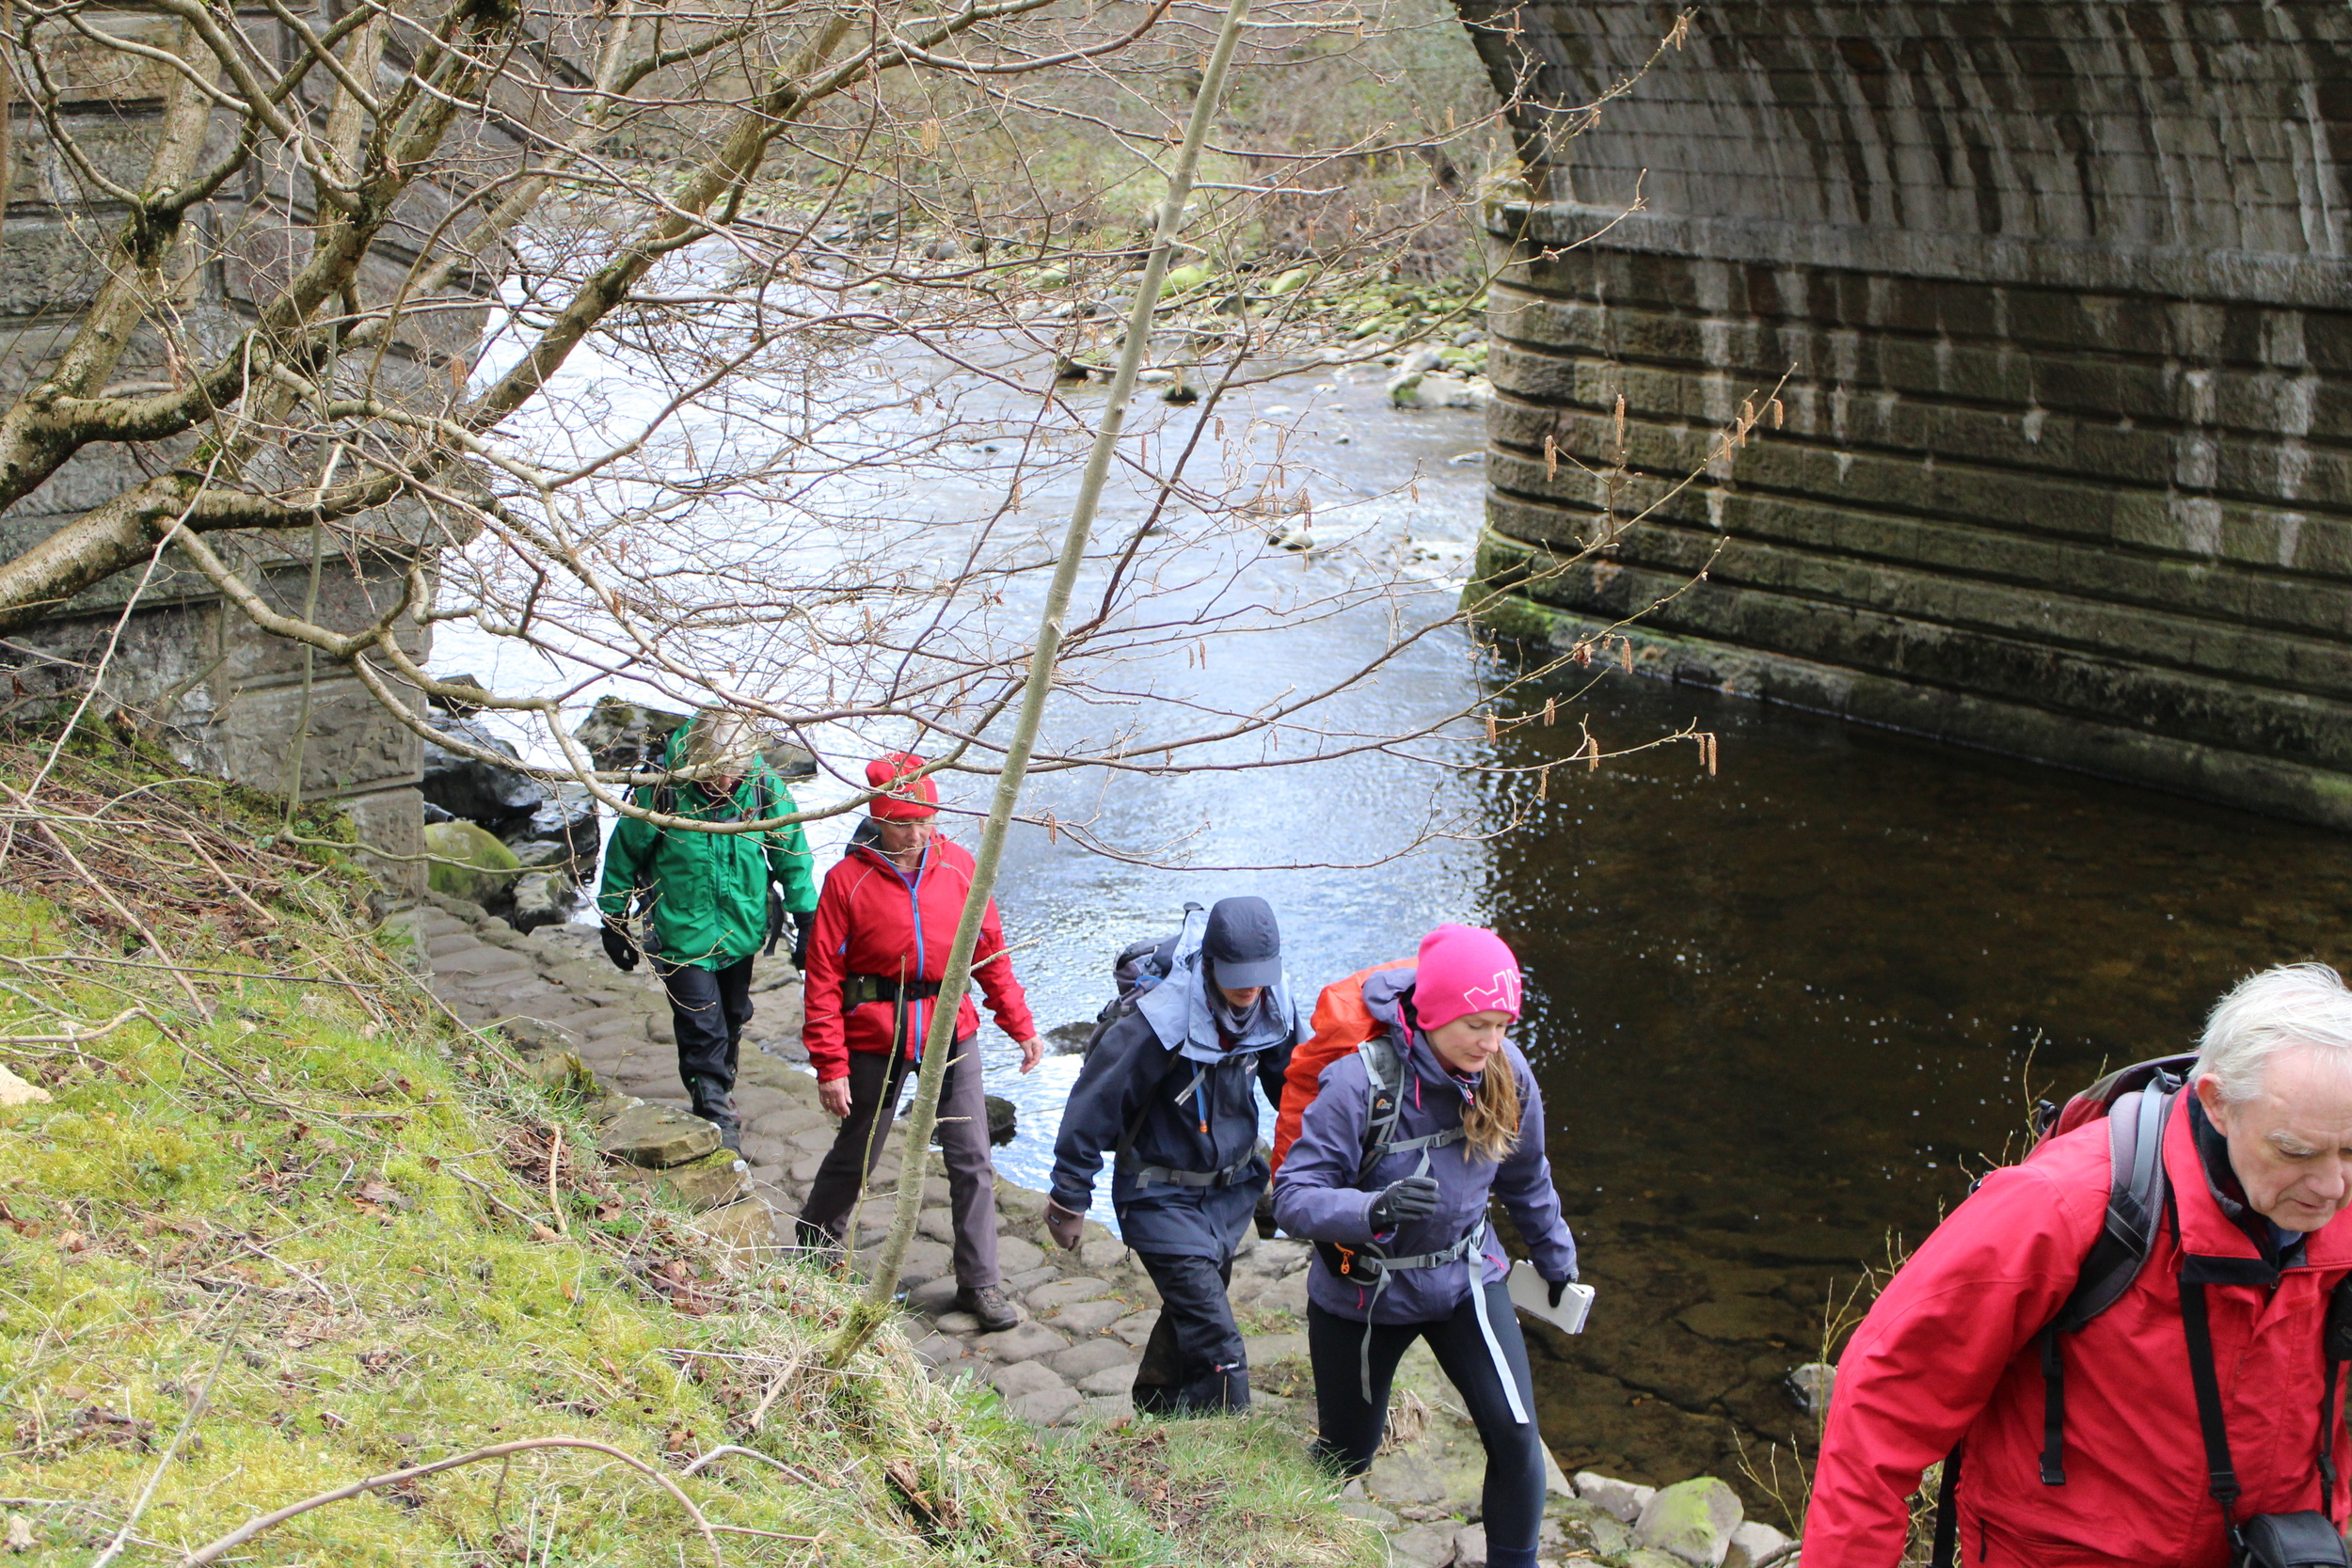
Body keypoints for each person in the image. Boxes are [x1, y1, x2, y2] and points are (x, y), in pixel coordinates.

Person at [1804, 963, 2352, 1568]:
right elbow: (1883, 1403)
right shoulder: (2065, 1205)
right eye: (2295, 1151)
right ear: (2218, 1103)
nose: (2332, 1186)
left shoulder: (2335, 1194)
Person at [1274, 924, 1577, 1568]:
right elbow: (1293, 1197)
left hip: (1466, 1278)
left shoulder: (1506, 1071)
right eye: (1477, 1024)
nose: (1492, 1042)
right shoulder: (1359, 1083)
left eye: (1503, 1024)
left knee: (1517, 1437)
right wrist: (1371, 1209)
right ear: (1434, 1013)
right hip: (1364, 1293)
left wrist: (1555, 1255)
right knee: (1347, 1453)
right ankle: (1274, 1531)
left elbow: (1526, 1174)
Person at [792, 752, 1042, 1333]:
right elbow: (823, 977)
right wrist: (830, 1064)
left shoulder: (960, 867)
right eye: (903, 824)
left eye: (925, 822)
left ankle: (980, 1282)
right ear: (879, 819)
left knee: (972, 1156)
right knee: (860, 1146)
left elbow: (990, 951)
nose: (916, 835)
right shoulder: (846, 881)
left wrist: (1021, 1025)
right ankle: (815, 1240)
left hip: (951, 1028)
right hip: (875, 1032)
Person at [1044, 896, 1308, 1413]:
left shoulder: (1273, 1007)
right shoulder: (1156, 1023)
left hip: (1230, 1194)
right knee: (1219, 1343)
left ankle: (1158, 1405)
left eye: (1259, 977)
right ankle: (1228, 1435)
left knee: (1196, 1309)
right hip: (1158, 1195)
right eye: (1236, 977)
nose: (1249, 989)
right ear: (1209, 964)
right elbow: (1093, 1105)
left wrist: (1325, 1162)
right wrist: (1068, 1196)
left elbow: (1296, 1089)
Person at [596, 708, 817, 1151]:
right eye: (714, 773)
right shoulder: (662, 790)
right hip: (681, 933)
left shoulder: (763, 787)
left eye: (731, 773)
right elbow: (623, 855)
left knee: (732, 1016)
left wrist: (807, 917)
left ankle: (719, 1092)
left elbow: (792, 854)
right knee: (703, 1026)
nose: (723, 782)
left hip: (741, 929)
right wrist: (614, 921)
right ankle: (717, 1116)